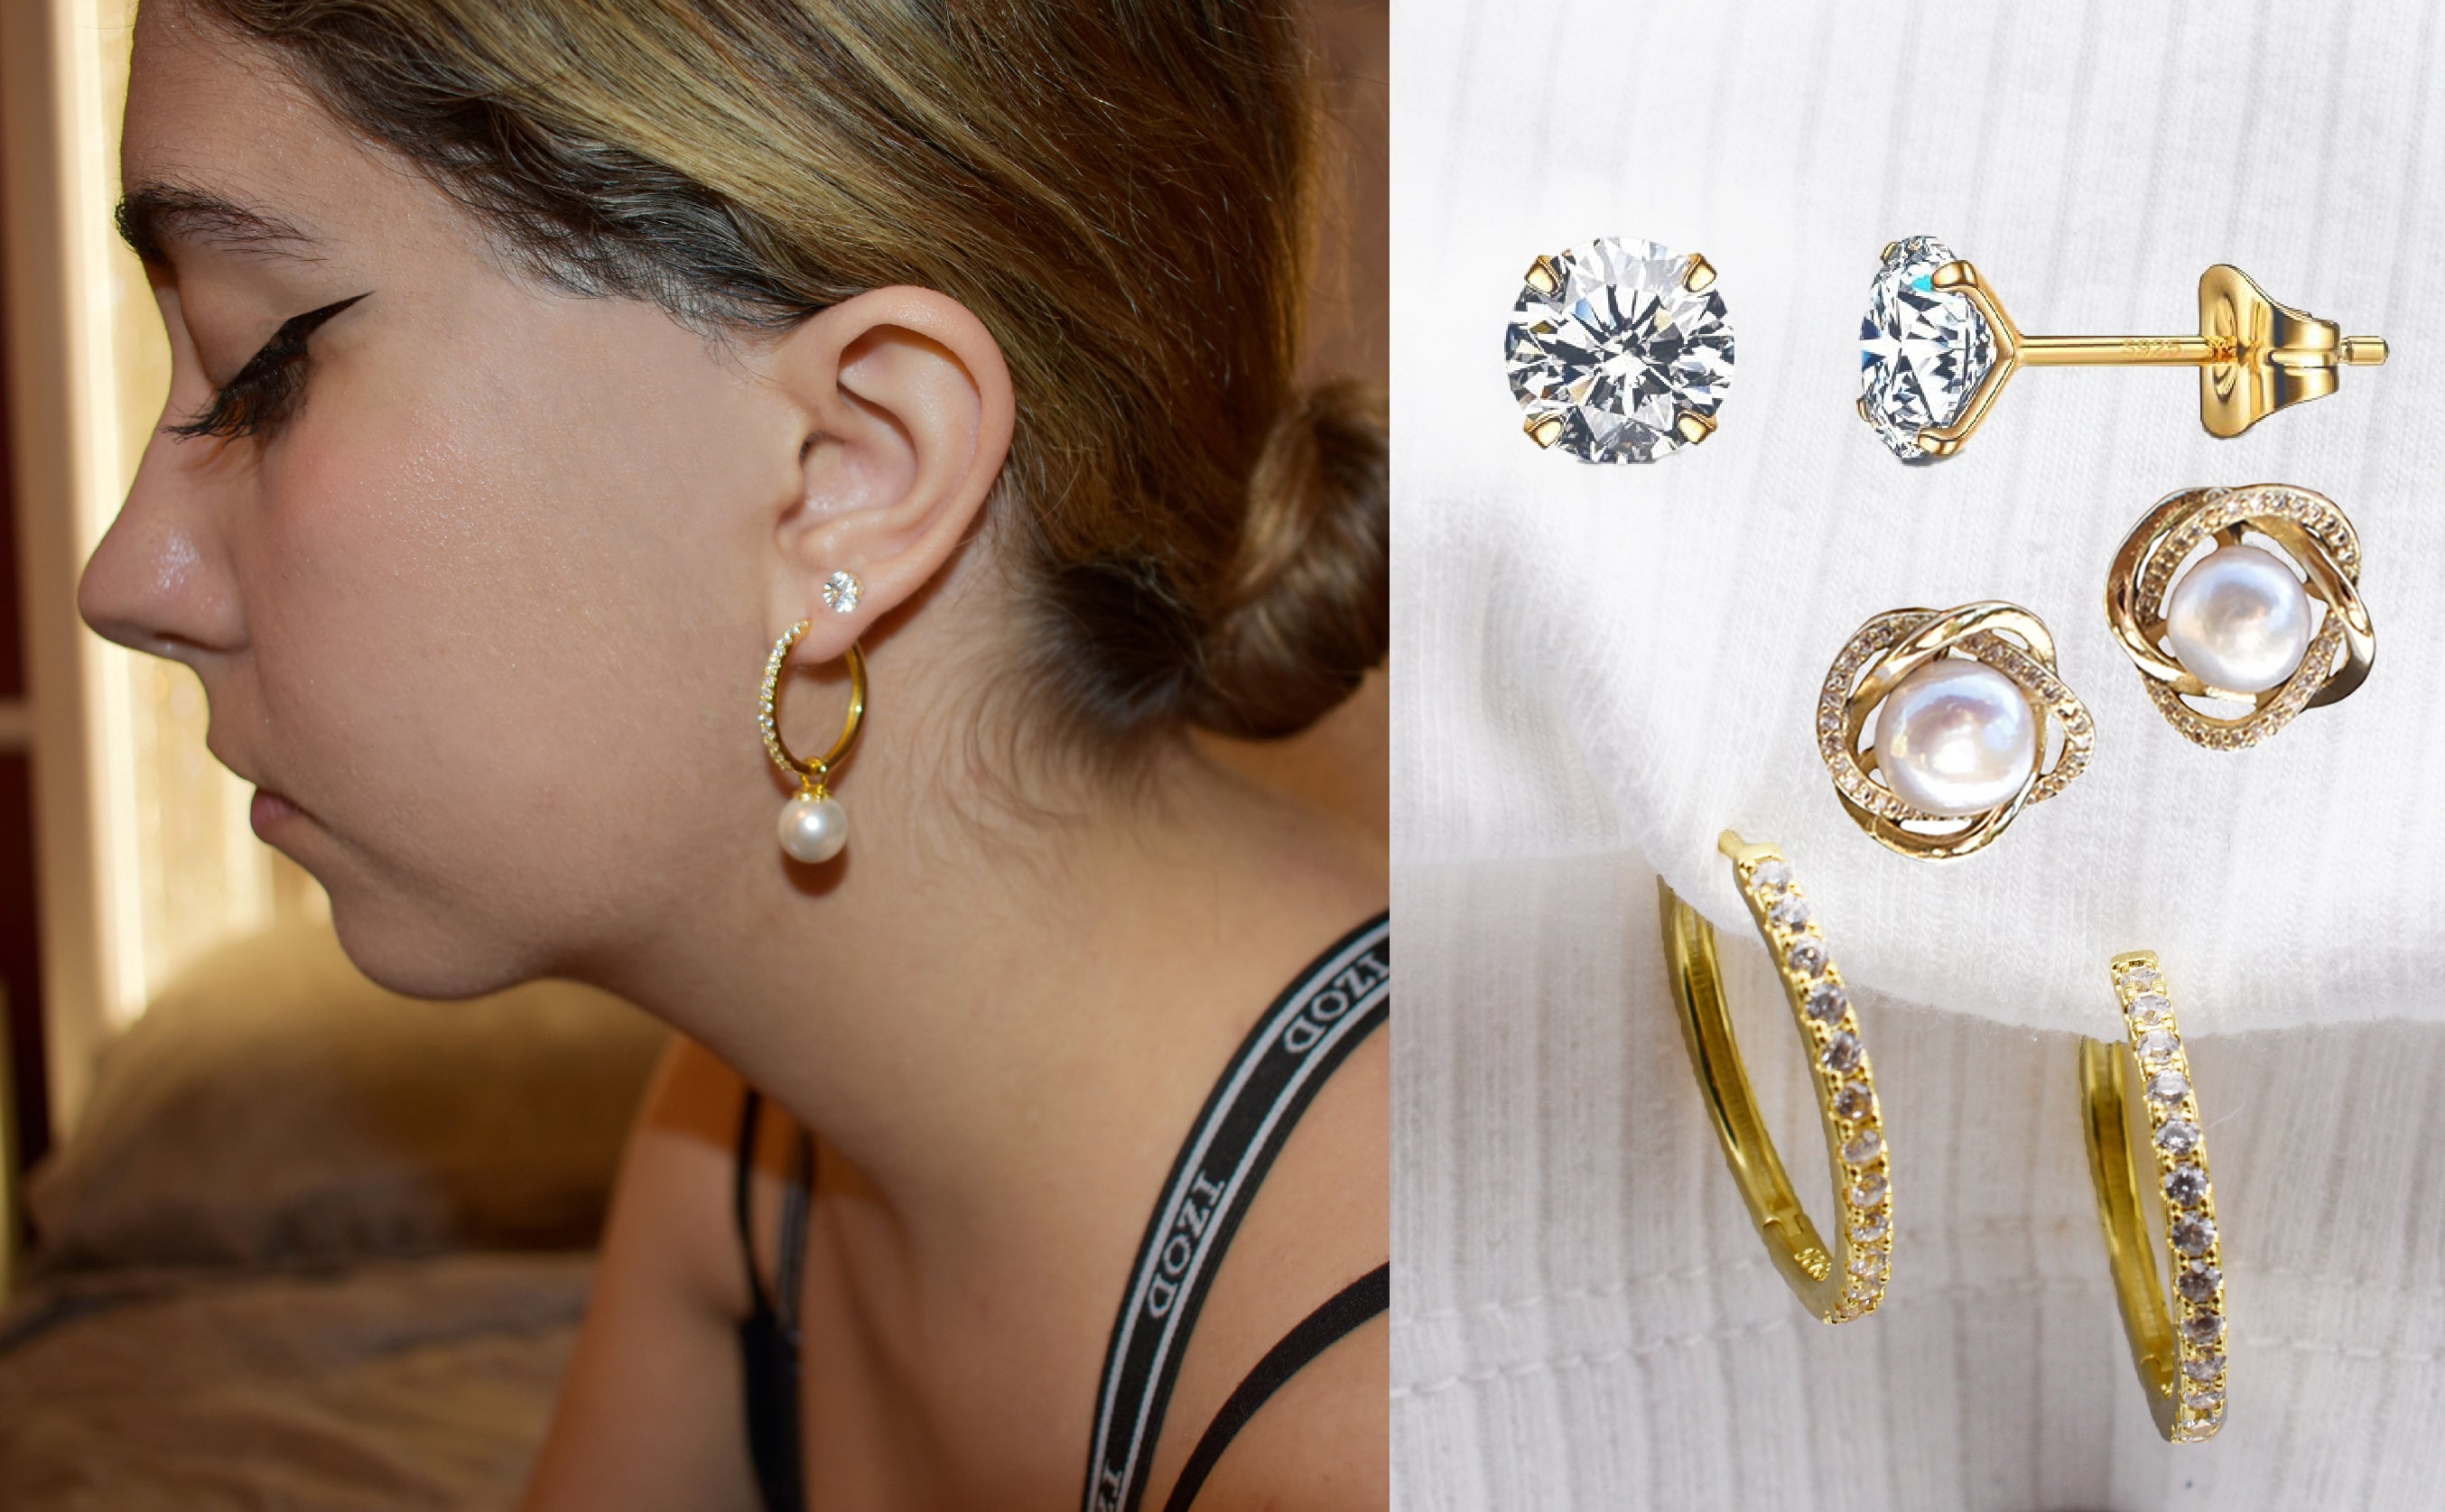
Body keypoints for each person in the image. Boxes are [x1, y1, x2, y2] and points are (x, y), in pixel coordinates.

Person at [79, 2, 1390, 1507]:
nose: (125, 580)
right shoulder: (754, 1128)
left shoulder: (1417, 1427)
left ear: (851, 469)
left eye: (261, 370)